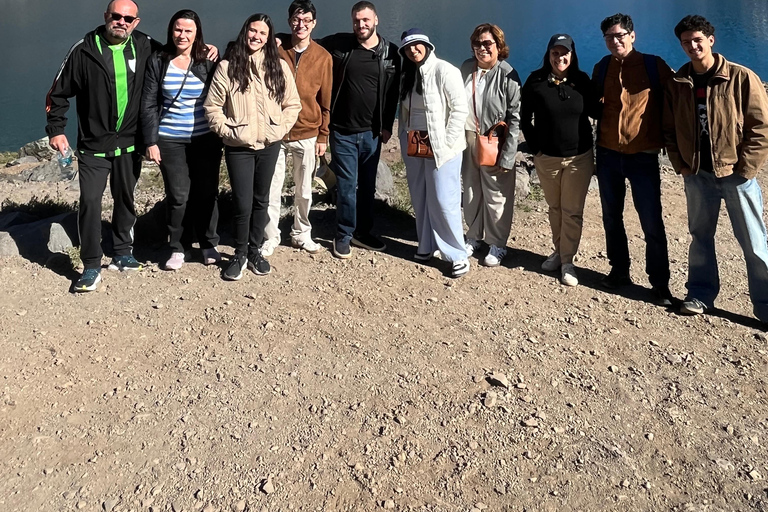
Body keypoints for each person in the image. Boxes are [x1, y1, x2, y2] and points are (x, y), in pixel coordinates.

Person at [663, 15, 768, 321]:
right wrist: (680, 164)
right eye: (686, 42)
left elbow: (759, 127)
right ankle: (700, 294)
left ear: (710, 40)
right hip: (697, 175)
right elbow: (669, 128)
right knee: (700, 236)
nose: (692, 46)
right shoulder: (678, 82)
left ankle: (765, 305)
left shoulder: (740, 77)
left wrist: (746, 169)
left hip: (735, 175)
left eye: (697, 39)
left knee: (753, 241)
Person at [45, 0, 153, 292]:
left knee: (126, 199)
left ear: (136, 22)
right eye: (116, 16)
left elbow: (177, 54)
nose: (121, 21)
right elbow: (57, 93)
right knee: (91, 203)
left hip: (130, 144)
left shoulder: (143, 45)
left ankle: (122, 252)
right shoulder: (84, 49)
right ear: (106, 16)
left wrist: (208, 51)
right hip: (93, 146)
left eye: (127, 18)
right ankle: (91, 264)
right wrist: (56, 130)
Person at [204, 14, 301, 281]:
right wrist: (230, 131)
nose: (256, 36)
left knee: (262, 200)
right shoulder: (227, 66)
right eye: (252, 30)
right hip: (239, 147)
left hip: (270, 144)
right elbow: (212, 108)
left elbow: (293, 104)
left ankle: (255, 250)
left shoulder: (278, 67)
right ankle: (239, 253)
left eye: (262, 33)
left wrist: (279, 129)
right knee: (242, 202)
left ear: (269, 38)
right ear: (244, 31)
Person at [593, 13, 674, 305]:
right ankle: (619, 270)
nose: (615, 41)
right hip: (608, 153)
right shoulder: (602, 67)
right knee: (611, 217)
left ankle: (660, 283)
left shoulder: (654, 65)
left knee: (651, 220)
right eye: (609, 37)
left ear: (632, 35)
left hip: (643, 155)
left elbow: (676, 100)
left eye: (620, 35)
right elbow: (593, 105)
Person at [140, 9, 223, 271]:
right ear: (171, 30)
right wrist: (150, 141)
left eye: (188, 30)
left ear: (197, 32)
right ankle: (178, 246)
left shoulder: (207, 60)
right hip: (170, 139)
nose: (182, 35)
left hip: (205, 139)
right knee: (178, 195)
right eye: (178, 29)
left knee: (207, 192)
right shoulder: (159, 60)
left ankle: (208, 243)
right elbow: (149, 103)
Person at [318, 1, 401, 259]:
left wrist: (387, 125)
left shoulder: (391, 53)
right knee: (345, 185)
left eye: (365, 20)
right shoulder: (339, 44)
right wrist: (278, 39)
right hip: (342, 131)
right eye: (356, 20)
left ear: (375, 20)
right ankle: (343, 234)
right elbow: (305, 42)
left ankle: (362, 232)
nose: (360, 25)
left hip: (372, 133)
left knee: (367, 187)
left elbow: (393, 93)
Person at [520, 34, 598, 286]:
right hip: (547, 158)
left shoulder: (582, 81)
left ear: (572, 55)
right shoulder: (536, 81)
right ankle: (559, 251)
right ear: (548, 54)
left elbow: (596, 111)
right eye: (555, 52)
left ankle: (567, 261)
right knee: (555, 208)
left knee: (572, 211)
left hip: (579, 158)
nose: (560, 57)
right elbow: (524, 117)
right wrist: (535, 148)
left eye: (565, 53)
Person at [397, 29, 470, 278]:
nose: (413, 50)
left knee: (443, 199)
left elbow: (459, 110)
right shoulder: (409, 74)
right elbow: (405, 112)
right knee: (420, 196)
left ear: (427, 46)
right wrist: (403, 138)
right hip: (416, 143)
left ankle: (457, 254)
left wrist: (447, 144)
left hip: (443, 148)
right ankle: (426, 245)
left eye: (417, 45)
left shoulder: (445, 71)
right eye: (408, 48)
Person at [263, 0, 332, 256]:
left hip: (308, 132)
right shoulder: (275, 50)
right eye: (296, 19)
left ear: (313, 23)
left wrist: (323, 135)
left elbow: (326, 100)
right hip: (276, 132)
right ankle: (270, 236)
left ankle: (301, 233)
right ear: (290, 20)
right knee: (272, 187)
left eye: (306, 21)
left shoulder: (323, 57)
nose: (300, 25)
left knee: (304, 190)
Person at [460, 24, 521, 268]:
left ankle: (497, 243)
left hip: (495, 141)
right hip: (468, 139)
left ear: (498, 46)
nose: (482, 48)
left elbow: (515, 116)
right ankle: (473, 236)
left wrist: (508, 155)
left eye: (488, 43)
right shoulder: (466, 68)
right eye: (478, 43)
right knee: (472, 190)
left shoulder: (507, 74)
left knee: (497, 194)